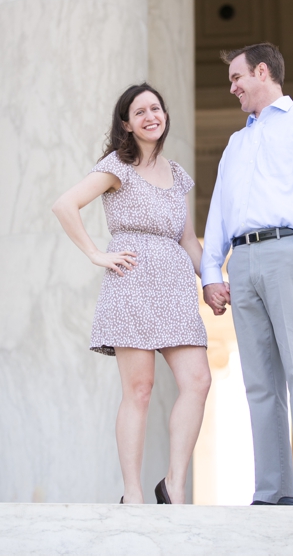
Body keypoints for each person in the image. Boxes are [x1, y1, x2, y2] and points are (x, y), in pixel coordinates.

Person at [201, 42, 293, 506]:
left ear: (262, 71)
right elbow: (219, 211)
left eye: (237, 78)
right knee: (259, 383)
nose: (233, 88)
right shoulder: (236, 142)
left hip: (289, 248)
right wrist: (212, 271)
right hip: (242, 263)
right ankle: (270, 491)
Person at [52, 83, 216, 505]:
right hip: (134, 281)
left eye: (155, 108)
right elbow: (64, 205)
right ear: (126, 123)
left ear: (164, 116)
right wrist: (95, 254)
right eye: (139, 111)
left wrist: (212, 280)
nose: (150, 116)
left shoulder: (177, 174)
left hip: (176, 286)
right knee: (139, 389)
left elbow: (189, 240)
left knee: (197, 380)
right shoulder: (117, 167)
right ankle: (132, 493)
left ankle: (174, 484)